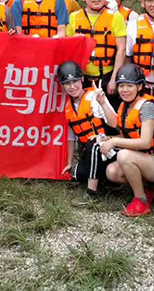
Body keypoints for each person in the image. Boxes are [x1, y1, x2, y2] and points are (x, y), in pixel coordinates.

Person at [95, 64, 154, 217]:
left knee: (123, 155)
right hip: (143, 159)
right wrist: (108, 138)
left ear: (140, 86)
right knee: (112, 172)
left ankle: (141, 200)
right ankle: (150, 189)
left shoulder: (147, 106)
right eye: (121, 86)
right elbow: (123, 132)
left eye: (130, 85)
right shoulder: (126, 105)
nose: (124, 90)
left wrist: (114, 142)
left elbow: (144, 142)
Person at [66, 0, 126, 100]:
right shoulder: (74, 17)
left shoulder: (115, 17)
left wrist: (114, 78)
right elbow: (68, 50)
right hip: (82, 79)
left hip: (106, 76)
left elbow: (121, 50)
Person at [58, 61, 108, 202]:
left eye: (75, 81)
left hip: (106, 146)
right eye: (67, 83)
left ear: (82, 80)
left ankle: (91, 194)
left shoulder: (94, 97)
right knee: (77, 174)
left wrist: (103, 102)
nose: (72, 86)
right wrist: (69, 162)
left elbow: (114, 123)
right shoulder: (68, 108)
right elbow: (71, 137)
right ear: (63, 86)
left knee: (93, 144)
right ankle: (104, 181)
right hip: (89, 152)